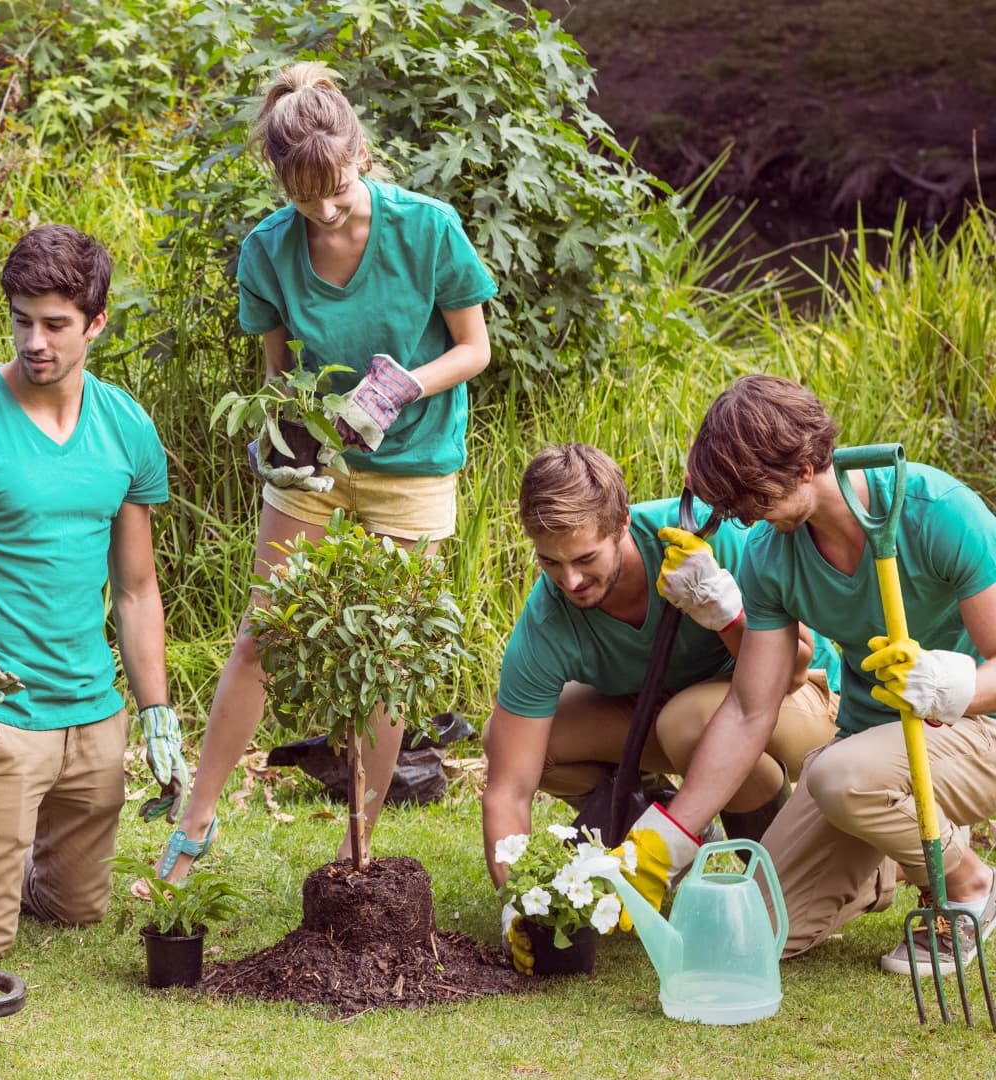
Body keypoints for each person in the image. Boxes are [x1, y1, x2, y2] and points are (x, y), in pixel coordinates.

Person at [157, 60, 496, 882]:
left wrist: (409, 383)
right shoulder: (268, 251)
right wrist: (276, 439)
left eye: (338, 190)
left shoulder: (427, 228)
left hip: (412, 462)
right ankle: (194, 827)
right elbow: (278, 377)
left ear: (361, 157)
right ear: (280, 182)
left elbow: (474, 348)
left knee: (383, 649)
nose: (327, 209)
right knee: (263, 631)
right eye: (305, 198)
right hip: (317, 458)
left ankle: (361, 849)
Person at [617, 375, 996, 974]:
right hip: (870, 750)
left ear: (802, 467)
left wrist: (951, 685)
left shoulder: (937, 512)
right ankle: (881, 868)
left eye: (755, 501)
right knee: (750, 937)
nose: (747, 521)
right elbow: (749, 709)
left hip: (978, 731)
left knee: (838, 776)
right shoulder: (775, 554)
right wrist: (672, 835)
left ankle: (968, 882)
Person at [0, 224, 178, 958]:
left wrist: (158, 711)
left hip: (93, 716)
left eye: (55, 324)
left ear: (96, 323)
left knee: (77, 911)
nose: (35, 341)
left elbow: (137, 589)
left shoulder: (127, 427)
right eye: (21, 321)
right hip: (2, 718)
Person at [480, 444, 840, 970]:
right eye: (550, 562)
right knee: (509, 739)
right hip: (672, 713)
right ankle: (661, 816)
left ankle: (785, 858)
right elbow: (508, 789)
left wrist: (722, 610)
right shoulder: (548, 618)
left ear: (622, 523)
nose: (570, 581)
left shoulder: (706, 540)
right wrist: (516, 900)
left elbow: (787, 669)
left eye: (585, 559)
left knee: (689, 721)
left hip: (798, 700)